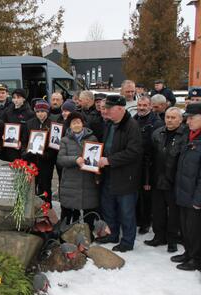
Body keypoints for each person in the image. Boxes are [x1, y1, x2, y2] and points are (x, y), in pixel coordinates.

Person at [97, 95, 143, 252]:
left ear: (120, 109)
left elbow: (134, 152)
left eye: (109, 109)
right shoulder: (109, 124)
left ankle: (128, 241)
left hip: (125, 177)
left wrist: (109, 160)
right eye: (105, 108)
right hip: (109, 174)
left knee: (126, 211)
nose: (106, 111)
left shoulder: (132, 126)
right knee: (108, 207)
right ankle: (113, 234)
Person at [145, 107, 187, 253]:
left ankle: (172, 240)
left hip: (175, 181)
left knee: (174, 213)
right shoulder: (157, 133)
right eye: (168, 117)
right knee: (157, 211)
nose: (169, 120)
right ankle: (159, 236)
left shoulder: (185, 135)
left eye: (173, 117)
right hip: (157, 179)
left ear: (180, 120)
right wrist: (148, 180)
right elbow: (149, 158)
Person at [57, 112, 100, 228]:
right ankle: (65, 234)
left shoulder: (92, 138)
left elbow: (97, 158)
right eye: (73, 122)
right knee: (68, 212)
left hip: (88, 181)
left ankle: (88, 234)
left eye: (78, 122)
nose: (76, 125)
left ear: (83, 124)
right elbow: (60, 159)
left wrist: (97, 172)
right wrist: (75, 159)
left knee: (88, 212)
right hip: (70, 182)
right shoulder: (65, 140)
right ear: (69, 125)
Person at [172, 103, 201, 271]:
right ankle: (189, 253)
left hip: (195, 196)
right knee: (186, 228)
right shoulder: (190, 136)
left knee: (195, 229)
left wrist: (198, 199)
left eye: (192, 118)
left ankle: (196, 259)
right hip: (184, 191)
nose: (187, 121)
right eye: (187, 118)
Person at [133, 95, 163, 235]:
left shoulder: (156, 123)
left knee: (147, 195)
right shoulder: (134, 119)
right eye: (140, 105)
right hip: (136, 162)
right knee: (137, 194)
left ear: (150, 106)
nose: (142, 108)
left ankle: (146, 222)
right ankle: (139, 219)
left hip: (149, 164)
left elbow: (155, 147)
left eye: (145, 105)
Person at [23, 100, 57, 204]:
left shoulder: (53, 125)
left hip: (46, 162)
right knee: (32, 186)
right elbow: (24, 141)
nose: (40, 114)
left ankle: (47, 210)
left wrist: (47, 155)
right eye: (38, 112)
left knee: (46, 186)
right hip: (32, 160)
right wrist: (25, 153)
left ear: (47, 112)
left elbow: (55, 146)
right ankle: (32, 209)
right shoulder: (30, 123)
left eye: (42, 111)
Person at [3, 88, 35, 161]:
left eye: (18, 97)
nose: (16, 100)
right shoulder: (8, 112)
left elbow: (31, 132)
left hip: (23, 149)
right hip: (10, 147)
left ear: (24, 99)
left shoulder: (30, 114)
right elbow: (4, 126)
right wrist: (4, 135)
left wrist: (22, 142)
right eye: (14, 98)